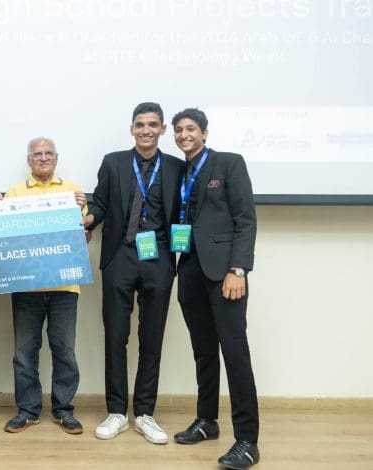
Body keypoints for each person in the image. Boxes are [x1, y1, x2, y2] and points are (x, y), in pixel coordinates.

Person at [83, 102, 183, 445]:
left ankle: (144, 413)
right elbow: (100, 203)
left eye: (152, 125)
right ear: (131, 129)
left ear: (162, 129)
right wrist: (90, 219)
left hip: (159, 257)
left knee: (152, 337)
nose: (146, 130)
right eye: (140, 124)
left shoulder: (176, 167)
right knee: (116, 335)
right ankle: (116, 412)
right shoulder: (113, 162)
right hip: (120, 255)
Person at [170, 108, 260, 469]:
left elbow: (246, 219)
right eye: (178, 130)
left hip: (225, 274)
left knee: (235, 354)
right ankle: (207, 420)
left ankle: (248, 441)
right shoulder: (179, 171)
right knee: (203, 352)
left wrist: (238, 269)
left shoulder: (229, 163)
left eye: (190, 128)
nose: (184, 134)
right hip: (190, 270)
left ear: (205, 133)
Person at [0, 137, 87, 435]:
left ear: (57, 158)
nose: (43, 158)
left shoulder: (73, 191)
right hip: (26, 286)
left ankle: (64, 410)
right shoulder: (14, 193)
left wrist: (82, 216)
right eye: (37, 154)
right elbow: (5, 236)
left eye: (48, 153)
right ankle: (28, 411)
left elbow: (83, 238)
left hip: (65, 287)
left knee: (65, 351)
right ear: (29, 160)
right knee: (24, 352)